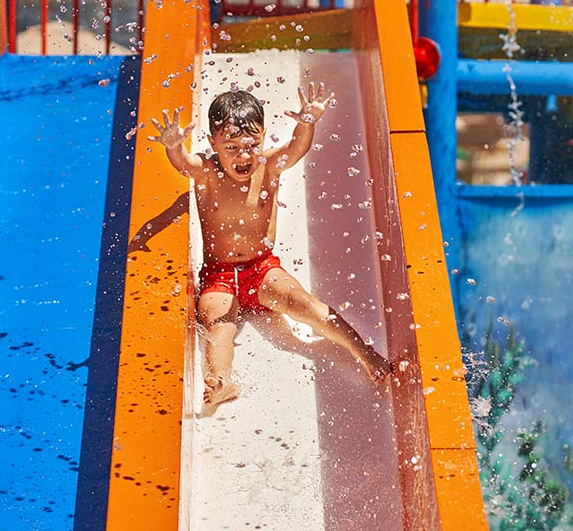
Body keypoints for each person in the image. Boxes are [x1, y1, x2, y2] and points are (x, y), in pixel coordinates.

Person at [148, 84, 392, 409]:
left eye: (251, 144)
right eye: (231, 146)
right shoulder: (207, 172)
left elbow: (297, 147)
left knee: (305, 304)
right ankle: (222, 381)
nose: (243, 155)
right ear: (212, 143)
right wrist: (174, 146)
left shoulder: (268, 166)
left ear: (262, 137)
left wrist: (307, 122)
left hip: (261, 269)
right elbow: (184, 164)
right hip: (219, 277)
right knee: (219, 326)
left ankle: (363, 351)